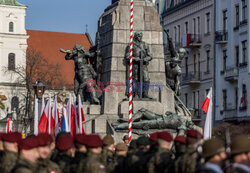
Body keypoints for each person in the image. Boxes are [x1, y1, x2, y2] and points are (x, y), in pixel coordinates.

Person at [125, 31, 153, 99]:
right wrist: (135, 58)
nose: (139, 37)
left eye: (140, 36)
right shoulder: (131, 45)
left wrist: (146, 58)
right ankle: (135, 94)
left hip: (143, 65)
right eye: (138, 36)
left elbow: (150, 55)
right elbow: (128, 56)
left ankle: (145, 94)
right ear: (135, 36)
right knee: (135, 79)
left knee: (146, 78)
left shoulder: (145, 45)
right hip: (135, 65)